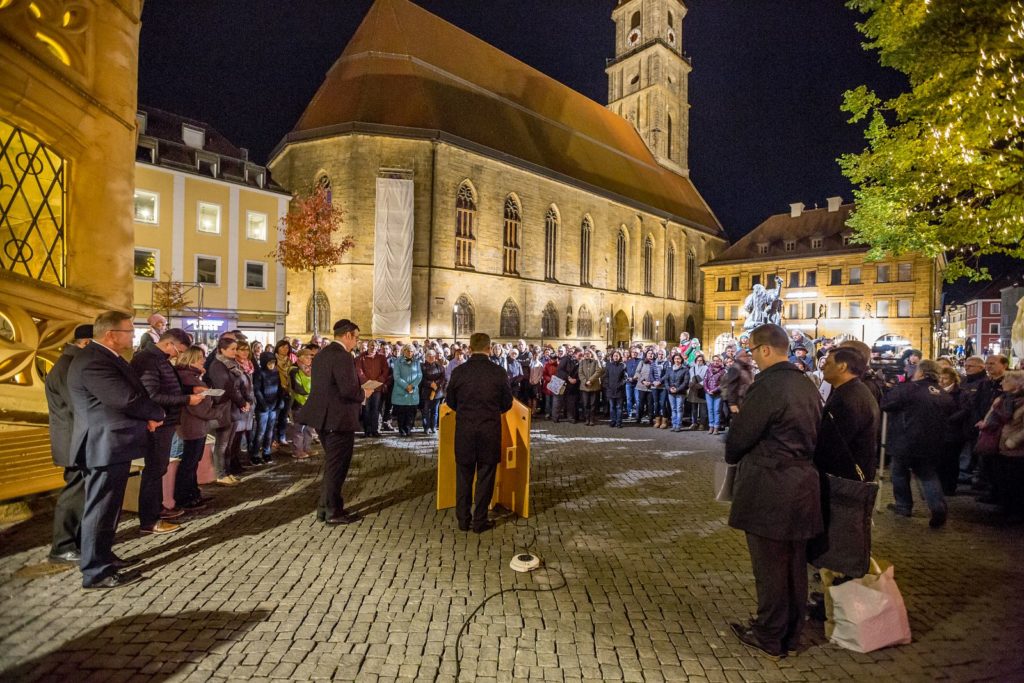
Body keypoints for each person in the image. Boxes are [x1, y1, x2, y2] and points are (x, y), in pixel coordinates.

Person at [726, 323, 823, 660]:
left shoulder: (768, 385)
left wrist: (734, 448)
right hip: (801, 483)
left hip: (771, 485)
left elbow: (741, 437)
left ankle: (769, 633)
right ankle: (791, 630)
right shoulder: (804, 382)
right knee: (794, 563)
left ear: (765, 349)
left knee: (769, 565)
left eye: (752, 351)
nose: (751, 358)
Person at [68, 311, 165, 589]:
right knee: (100, 509)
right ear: (111, 334)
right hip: (103, 445)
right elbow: (124, 398)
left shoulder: (105, 357)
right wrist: (154, 412)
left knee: (109, 509)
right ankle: (95, 571)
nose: (133, 335)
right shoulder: (93, 362)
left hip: (113, 444)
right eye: (129, 330)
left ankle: (104, 556)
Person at [298, 319, 374, 525]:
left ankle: (325, 508)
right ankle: (332, 511)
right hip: (338, 419)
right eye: (356, 338)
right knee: (337, 467)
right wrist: (364, 393)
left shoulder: (322, 354)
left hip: (323, 418)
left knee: (332, 465)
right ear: (347, 335)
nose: (357, 342)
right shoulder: (342, 356)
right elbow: (348, 389)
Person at [130, 328, 203, 533]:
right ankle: (149, 520)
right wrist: (187, 399)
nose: (178, 355)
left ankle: (157, 508)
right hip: (157, 423)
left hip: (166, 420)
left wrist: (190, 390)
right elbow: (152, 395)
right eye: (178, 350)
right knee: (154, 470)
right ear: (169, 344)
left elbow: (167, 388)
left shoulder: (159, 360)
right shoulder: (148, 360)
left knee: (159, 468)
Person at [445, 332, 514, 532]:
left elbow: (451, 401)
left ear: (470, 348)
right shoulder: (498, 372)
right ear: (489, 348)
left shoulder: (459, 372)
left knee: (463, 477)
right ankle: (479, 520)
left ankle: (463, 520)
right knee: (486, 477)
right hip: (489, 431)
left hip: (465, 431)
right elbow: (507, 403)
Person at [881, 359, 956, 528]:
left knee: (899, 472)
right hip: (932, 442)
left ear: (920, 372)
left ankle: (903, 505)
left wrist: (889, 390)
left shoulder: (908, 389)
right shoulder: (942, 393)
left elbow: (886, 404)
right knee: (928, 474)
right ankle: (937, 506)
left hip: (905, 439)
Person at [44, 324, 93, 565]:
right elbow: (79, 406)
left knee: (80, 490)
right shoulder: (67, 367)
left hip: (76, 437)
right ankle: (62, 546)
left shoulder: (70, 363)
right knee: (74, 492)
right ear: (85, 343)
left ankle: (76, 541)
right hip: (73, 440)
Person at [173, 345, 223, 509]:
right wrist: (217, 412)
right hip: (192, 426)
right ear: (193, 359)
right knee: (189, 462)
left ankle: (193, 493)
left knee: (192, 462)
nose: (204, 360)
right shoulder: (189, 379)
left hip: (194, 426)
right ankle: (185, 497)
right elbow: (199, 409)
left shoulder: (191, 377)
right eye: (201, 357)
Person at [206, 336, 249, 484]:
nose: (235, 351)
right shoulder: (217, 365)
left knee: (229, 444)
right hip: (224, 407)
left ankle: (227, 471)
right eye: (232, 349)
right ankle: (221, 473)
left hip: (233, 408)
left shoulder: (232, 364)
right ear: (222, 350)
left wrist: (245, 399)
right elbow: (227, 386)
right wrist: (242, 401)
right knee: (222, 444)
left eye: (236, 349)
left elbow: (240, 384)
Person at [252, 351, 283, 464]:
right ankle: (255, 454)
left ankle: (267, 452)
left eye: (273, 362)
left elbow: (280, 388)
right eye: (269, 362)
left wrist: (279, 402)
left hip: (273, 406)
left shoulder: (276, 372)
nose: (272, 365)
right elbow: (257, 390)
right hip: (263, 407)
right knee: (260, 431)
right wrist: (263, 404)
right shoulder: (260, 373)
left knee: (270, 431)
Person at [355, 340, 390, 437]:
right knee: (366, 409)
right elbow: (359, 371)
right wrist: (367, 383)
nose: (373, 347)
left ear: (378, 347)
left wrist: (378, 382)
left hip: (377, 388)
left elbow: (385, 370)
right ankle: (367, 430)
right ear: (368, 346)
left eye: (375, 346)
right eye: (371, 346)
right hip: (365, 388)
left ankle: (375, 430)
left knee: (376, 409)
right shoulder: (361, 358)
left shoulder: (381, 358)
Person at [391, 344, 423, 436]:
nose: (410, 353)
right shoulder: (397, 362)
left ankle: (409, 429)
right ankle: (402, 430)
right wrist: (406, 386)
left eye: (412, 351)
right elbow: (396, 376)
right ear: (404, 351)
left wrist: (412, 385)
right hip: (401, 390)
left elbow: (419, 375)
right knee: (401, 412)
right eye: (408, 351)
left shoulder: (417, 362)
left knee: (411, 412)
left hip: (413, 391)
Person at [289, 349, 315, 459]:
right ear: (300, 357)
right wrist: (311, 392)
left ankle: (307, 448)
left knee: (309, 428)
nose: (310, 359)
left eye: (310, 357)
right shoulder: (294, 370)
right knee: (299, 428)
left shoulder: (311, 369)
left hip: (310, 402)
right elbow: (296, 387)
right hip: (298, 402)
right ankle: (297, 450)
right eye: (307, 357)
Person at [420, 348, 446, 435]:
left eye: (433, 356)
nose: (431, 358)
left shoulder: (439, 366)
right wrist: (430, 383)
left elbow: (443, 377)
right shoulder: (422, 366)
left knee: (435, 411)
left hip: (437, 392)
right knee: (426, 410)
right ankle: (426, 427)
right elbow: (421, 378)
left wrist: (437, 384)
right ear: (426, 357)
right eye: (429, 356)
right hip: (426, 391)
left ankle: (433, 427)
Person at [578, 348, 605, 426]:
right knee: (586, 404)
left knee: (593, 404)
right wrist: (585, 381)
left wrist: (590, 380)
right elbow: (580, 373)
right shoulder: (582, 362)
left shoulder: (596, 362)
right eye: (585, 353)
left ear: (591, 354)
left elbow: (599, 371)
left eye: (588, 353)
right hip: (584, 387)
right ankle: (587, 419)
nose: (587, 354)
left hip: (594, 386)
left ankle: (592, 419)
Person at [664, 352, 689, 432]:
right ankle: (674, 425)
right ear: (673, 360)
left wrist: (677, 389)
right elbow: (666, 380)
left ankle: (678, 425)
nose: (677, 360)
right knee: (673, 409)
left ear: (681, 360)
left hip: (680, 392)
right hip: (670, 392)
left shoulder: (685, 369)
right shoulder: (669, 369)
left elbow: (685, 382)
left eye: (678, 358)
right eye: (675, 359)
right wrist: (669, 388)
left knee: (679, 408)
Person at [703, 355, 726, 435]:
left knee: (717, 411)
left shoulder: (723, 371)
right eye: (714, 360)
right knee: (710, 410)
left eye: (718, 360)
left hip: (718, 394)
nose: (716, 362)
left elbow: (723, 384)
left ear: (721, 361)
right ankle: (711, 426)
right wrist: (707, 390)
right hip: (708, 393)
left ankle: (716, 427)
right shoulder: (708, 369)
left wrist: (714, 390)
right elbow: (705, 380)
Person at [604, 350, 627, 428]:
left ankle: (619, 422)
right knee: (612, 407)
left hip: (619, 390)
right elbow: (606, 377)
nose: (616, 357)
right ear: (612, 357)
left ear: (620, 357)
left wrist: (620, 385)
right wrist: (607, 386)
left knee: (619, 407)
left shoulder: (623, 365)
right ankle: (613, 421)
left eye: (617, 356)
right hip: (610, 389)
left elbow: (625, 378)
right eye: (614, 356)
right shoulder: (609, 365)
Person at [686, 354, 708, 430]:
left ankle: (702, 424)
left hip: (702, 389)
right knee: (694, 408)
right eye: (698, 360)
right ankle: (694, 423)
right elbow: (690, 378)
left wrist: (700, 385)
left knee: (703, 408)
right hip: (693, 389)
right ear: (695, 361)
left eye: (701, 360)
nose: (699, 362)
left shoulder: (706, 368)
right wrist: (691, 384)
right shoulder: (692, 368)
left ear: (703, 361)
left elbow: (706, 378)